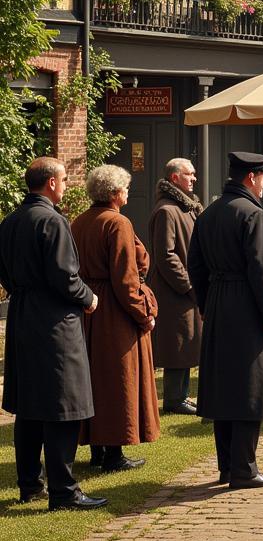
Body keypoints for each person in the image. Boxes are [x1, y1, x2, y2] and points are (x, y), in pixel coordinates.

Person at [0, 158, 106, 511]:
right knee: (65, 404)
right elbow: (65, 277)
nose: (66, 186)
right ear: (50, 183)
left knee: (29, 406)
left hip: (21, 315)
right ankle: (64, 491)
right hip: (55, 321)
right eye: (63, 180)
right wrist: (88, 297)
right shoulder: (53, 220)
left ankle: (30, 484)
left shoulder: (10, 221)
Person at [187, 151, 263, 489]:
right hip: (247, 306)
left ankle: (227, 466)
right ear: (252, 178)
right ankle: (244, 469)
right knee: (249, 387)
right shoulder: (253, 214)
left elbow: (194, 264)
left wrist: (204, 302)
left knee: (224, 386)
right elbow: (261, 268)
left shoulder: (208, 213)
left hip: (217, 302)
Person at [72, 165, 160, 472]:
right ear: (113, 193)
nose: (126, 193)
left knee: (95, 379)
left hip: (89, 308)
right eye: (124, 188)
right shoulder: (117, 223)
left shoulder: (79, 222)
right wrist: (144, 313)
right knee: (118, 379)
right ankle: (113, 454)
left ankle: (98, 449)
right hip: (113, 310)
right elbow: (126, 278)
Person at [148, 158, 202, 416]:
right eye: (189, 174)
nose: (194, 178)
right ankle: (174, 399)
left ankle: (181, 396)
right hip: (174, 291)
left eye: (194, 174)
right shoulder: (167, 211)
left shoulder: (187, 207)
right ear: (174, 178)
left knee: (188, 341)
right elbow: (165, 255)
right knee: (177, 343)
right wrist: (188, 284)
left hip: (185, 289)